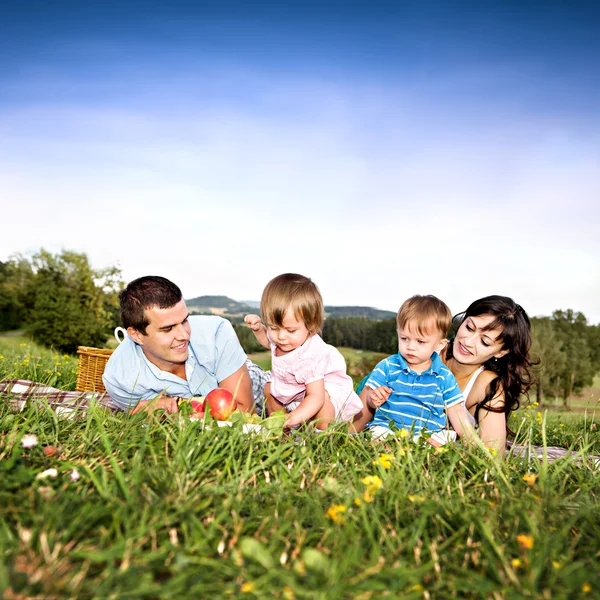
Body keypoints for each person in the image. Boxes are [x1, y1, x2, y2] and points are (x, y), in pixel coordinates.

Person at [353, 295, 536, 454]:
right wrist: (345, 437)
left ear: (501, 352)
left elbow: (493, 454)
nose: (468, 342)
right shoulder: (424, 348)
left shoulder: (488, 386)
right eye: (469, 327)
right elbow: (360, 418)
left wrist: (452, 449)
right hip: (369, 401)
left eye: (485, 342)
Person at [102, 276, 267, 415]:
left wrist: (177, 406)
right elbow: (149, 421)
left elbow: (244, 412)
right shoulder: (120, 379)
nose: (184, 335)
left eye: (185, 320)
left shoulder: (216, 332)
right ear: (136, 335)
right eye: (167, 329)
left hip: (259, 386)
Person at [244, 273, 362, 429]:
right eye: (274, 328)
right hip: (293, 388)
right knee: (269, 390)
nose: (280, 337)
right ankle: (282, 433)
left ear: (311, 326)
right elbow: (269, 342)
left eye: (291, 331)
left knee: (324, 405)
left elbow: (316, 396)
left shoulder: (310, 357)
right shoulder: (281, 338)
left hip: (319, 392)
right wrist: (259, 329)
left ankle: (322, 439)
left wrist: (295, 416)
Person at [361, 295, 476, 443]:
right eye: (404, 338)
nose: (410, 346)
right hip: (389, 428)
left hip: (427, 434)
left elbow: (456, 411)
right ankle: (388, 451)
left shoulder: (443, 376)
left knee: (441, 441)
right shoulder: (388, 366)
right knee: (377, 434)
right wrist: (373, 398)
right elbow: (369, 400)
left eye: (420, 341)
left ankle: (425, 455)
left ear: (439, 345)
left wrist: (472, 441)